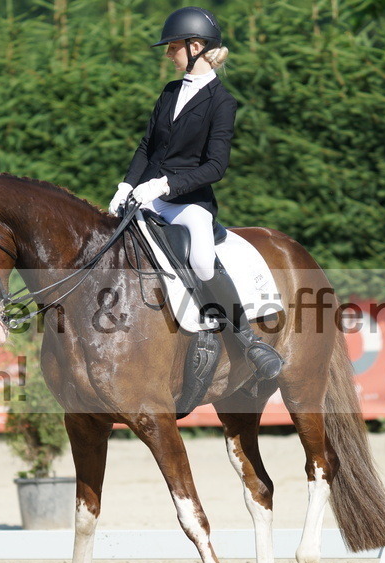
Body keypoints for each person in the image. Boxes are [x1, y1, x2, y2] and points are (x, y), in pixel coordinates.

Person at [108, 6, 282, 380]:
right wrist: (127, 184)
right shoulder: (170, 92)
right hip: (148, 196)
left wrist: (168, 184)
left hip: (189, 203)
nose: (168, 53)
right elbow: (146, 146)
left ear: (197, 46)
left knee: (203, 261)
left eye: (173, 47)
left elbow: (215, 166)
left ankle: (248, 339)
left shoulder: (222, 102)